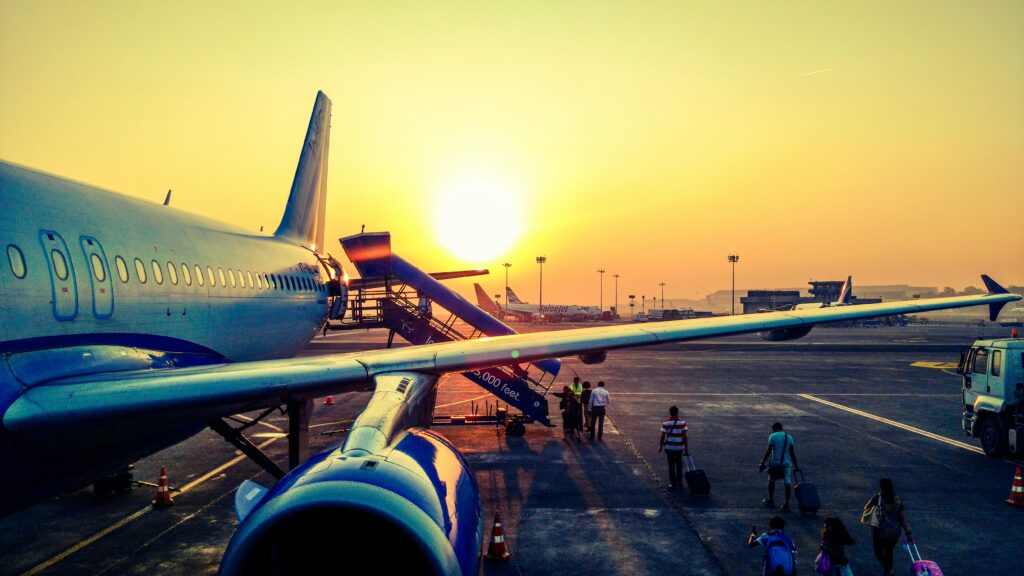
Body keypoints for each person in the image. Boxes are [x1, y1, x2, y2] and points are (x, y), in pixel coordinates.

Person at [860, 478, 912, 576]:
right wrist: (908, 532)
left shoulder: (877, 497)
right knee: (889, 552)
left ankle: (888, 570)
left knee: (878, 551)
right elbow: (902, 518)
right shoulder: (897, 500)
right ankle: (888, 571)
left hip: (879, 530)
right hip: (894, 532)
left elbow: (866, 507)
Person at [757, 422, 800, 511]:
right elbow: (792, 453)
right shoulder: (789, 437)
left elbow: (768, 451)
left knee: (772, 479)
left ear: (774, 428)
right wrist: (796, 466)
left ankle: (771, 499)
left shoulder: (773, 436)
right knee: (787, 481)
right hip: (787, 463)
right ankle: (786, 504)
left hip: (775, 462)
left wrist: (762, 462)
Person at [658, 405, 689, 489]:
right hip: (679, 448)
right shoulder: (682, 423)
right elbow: (685, 437)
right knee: (679, 465)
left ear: (670, 413)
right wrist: (686, 449)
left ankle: (673, 483)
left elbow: (663, 436)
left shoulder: (665, 423)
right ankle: (680, 483)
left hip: (670, 448)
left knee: (671, 465)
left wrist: (660, 446)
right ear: (677, 412)